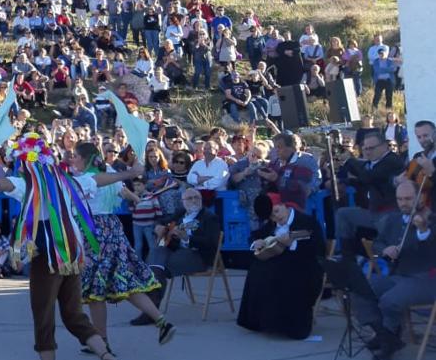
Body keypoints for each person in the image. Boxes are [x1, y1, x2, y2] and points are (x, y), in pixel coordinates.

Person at [0, 134, 132, 360]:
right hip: (71, 255)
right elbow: (100, 180)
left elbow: (2, 184)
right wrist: (130, 173)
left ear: (26, 164)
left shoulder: (27, 184)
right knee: (74, 315)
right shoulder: (69, 181)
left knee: (43, 317)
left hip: (46, 257)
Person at [69, 145, 175, 348]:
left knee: (95, 290)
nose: (74, 161)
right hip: (113, 230)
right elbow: (126, 193)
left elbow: (102, 186)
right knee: (124, 280)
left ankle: (102, 342)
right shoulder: (109, 174)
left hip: (93, 231)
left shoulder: (85, 179)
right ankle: (161, 320)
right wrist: (139, 199)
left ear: (85, 159)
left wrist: (133, 183)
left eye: (76, 157)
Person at [352, 180, 436, 360]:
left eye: (408, 198)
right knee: (360, 287)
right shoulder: (393, 219)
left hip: (426, 279)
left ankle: (388, 339)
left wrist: (422, 230)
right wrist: (385, 249)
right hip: (398, 276)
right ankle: (386, 335)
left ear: (421, 197)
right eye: (400, 199)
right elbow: (377, 243)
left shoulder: (431, 220)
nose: (403, 203)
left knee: (389, 300)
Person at [236, 194, 324, 340]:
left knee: (281, 276)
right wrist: (256, 242)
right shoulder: (272, 224)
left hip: (304, 265)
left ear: (285, 205)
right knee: (257, 270)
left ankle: (289, 325)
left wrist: (293, 244)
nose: (275, 217)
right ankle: (262, 321)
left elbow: (319, 249)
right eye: (271, 215)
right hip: (278, 263)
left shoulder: (306, 222)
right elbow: (256, 235)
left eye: (276, 212)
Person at [336, 128, 406, 256]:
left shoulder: (392, 161)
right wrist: (342, 181)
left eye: (371, 148)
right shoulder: (373, 162)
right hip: (374, 213)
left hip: (390, 214)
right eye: (365, 148)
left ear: (384, 146)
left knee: (384, 226)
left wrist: (349, 160)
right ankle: (349, 258)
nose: (367, 152)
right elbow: (363, 180)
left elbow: (367, 177)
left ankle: (379, 258)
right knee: (343, 214)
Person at [146, 188, 221, 293]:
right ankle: (152, 296)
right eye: (189, 198)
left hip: (198, 255)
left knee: (160, 268)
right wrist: (157, 226)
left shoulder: (209, 217)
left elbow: (212, 242)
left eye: (197, 198)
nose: (194, 201)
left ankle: (152, 300)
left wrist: (187, 238)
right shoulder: (181, 212)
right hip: (176, 249)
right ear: (183, 202)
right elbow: (161, 221)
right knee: (156, 251)